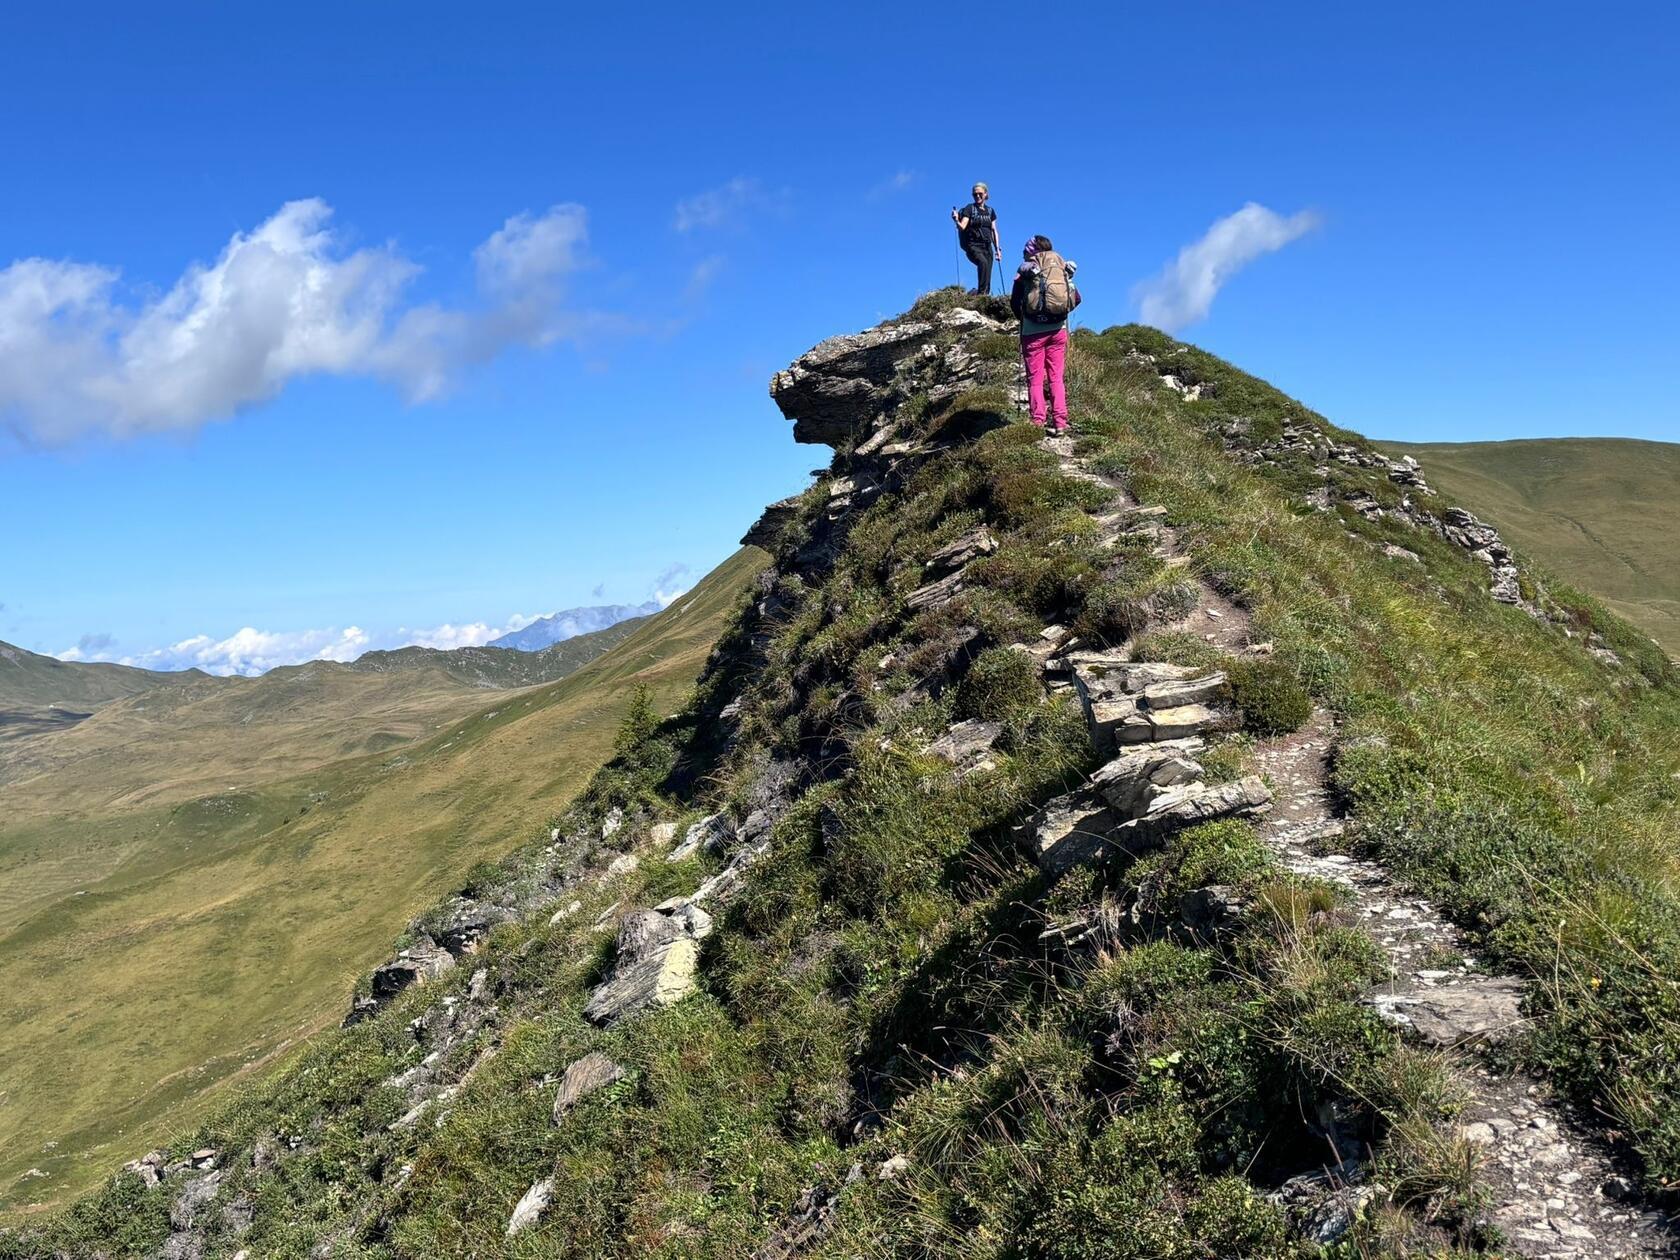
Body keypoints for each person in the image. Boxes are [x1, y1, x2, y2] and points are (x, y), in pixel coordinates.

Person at [1010, 235, 1081, 433]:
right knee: (1056, 377)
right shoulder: (1060, 270)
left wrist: (1025, 318)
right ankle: (1060, 422)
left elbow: (1015, 303)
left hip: (1032, 333)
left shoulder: (1025, 273)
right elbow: (1077, 298)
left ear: (1030, 252)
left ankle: (1038, 421)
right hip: (1058, 331)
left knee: (1035, 378)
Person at [951, 183, 1001, 294]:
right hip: (973, 245)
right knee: (982, 263)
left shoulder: (990, 211)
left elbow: (994, 230)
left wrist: (997, 248)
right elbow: (962, 227)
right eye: (975, 194)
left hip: (987, 246)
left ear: (986, 194)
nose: (977, 196)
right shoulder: (970, 209)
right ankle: (981, 295)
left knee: (987, 271)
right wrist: (956, 220)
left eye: (980, 194)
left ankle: (984, 295)